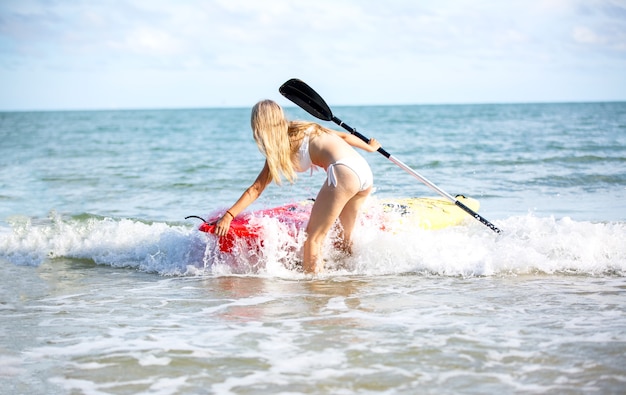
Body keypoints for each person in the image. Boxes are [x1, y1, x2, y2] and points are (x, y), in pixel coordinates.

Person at [213, 100, 381, 273]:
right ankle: (352, 280)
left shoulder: (280, 147)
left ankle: (315, 291)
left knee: (313, 239)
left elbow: (256, 188)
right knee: (343, 237)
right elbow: (344, 137)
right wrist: (369, 148)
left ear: (258, 125)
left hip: (344, 173)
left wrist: (229, 215)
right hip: (363, 171)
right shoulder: (305, 127)